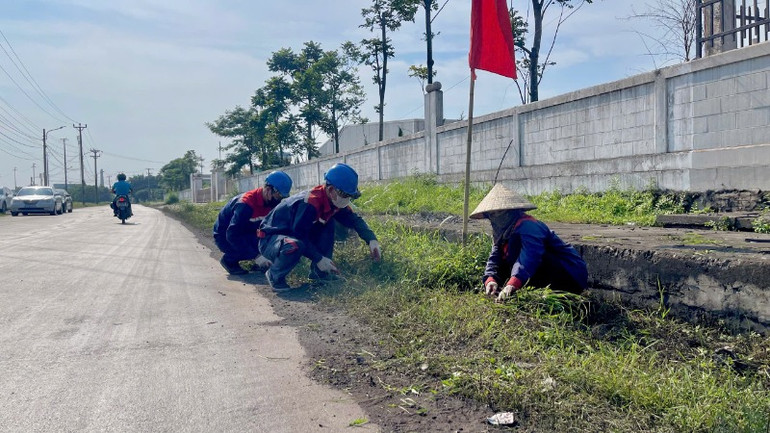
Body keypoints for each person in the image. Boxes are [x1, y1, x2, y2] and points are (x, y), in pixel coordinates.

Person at [257, 163, 381, 292]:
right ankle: (274, 275)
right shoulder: (309, 204)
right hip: (270, 240)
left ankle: (319, 274)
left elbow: (354, 219)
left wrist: (371, 240)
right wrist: (319, 258)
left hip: (291, 235)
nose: (347, 199)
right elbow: (299, 235)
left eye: (350, 196)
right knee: (294, 244)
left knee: (327, 224)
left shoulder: (334, 201)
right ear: (331, 190)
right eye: (345, 195)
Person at [470, 183, 588, 302]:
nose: (496, 217)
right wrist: (490, 279)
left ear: (510, 211)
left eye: (499, 212)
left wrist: (513, 283)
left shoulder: (528, 225)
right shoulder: (500, 233)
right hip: (537, 270)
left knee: (515, 245)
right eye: (492, 214)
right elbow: (494, 258)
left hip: (569, 274)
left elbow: (530, 256)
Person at [213, 171, 293, 276]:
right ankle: (229, 260)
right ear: (268, 190)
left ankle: (259, 263)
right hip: (225, 236)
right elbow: (232, 235)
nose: (279, 200)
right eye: (278, 196)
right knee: (248, 247)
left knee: (269, 242)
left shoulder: (270, 202)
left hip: (247, 230)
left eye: (282, 197)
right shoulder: (246, 204)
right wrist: (257, 256)